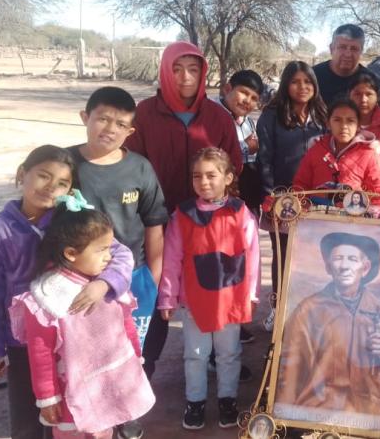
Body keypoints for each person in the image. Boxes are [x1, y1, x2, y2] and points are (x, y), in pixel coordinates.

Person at [0, 146, 133, 439]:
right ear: (23, 174)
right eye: (43, 176)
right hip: (24, 345)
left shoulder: (73, 222)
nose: (51, 187)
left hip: (77, 339)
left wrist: (104, 283)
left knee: (79, 413)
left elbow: (120, 256)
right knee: (28, 421)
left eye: (62, 183)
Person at [123, 41, 243, 378]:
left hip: (207, 223)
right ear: (165, 71)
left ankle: (219, 362)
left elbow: (233, 163)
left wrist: (216, 205)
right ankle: (142, 370)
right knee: (155, 292)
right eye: (176, 69)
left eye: (193, 69)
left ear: (203, 72)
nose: (185, 77)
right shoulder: (145, 113)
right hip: (155, 222)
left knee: (210, 289)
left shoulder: (218, 116)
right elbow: (131, 165)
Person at [8, 195, 154, 438]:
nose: (110, 256)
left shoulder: (106, 284)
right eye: (102, 250)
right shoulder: (47, 297)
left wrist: (135, 359)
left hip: (110, 384)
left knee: (105, 430)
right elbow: (40, 353)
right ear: (71, 253)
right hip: (70, 395)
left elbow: (126, 324)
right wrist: (47, 397)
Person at [67, 87, 167, 439]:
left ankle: (128, 409)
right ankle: (89, 408)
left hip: (133, 276)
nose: (110, 129)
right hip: (77, 280)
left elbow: (154, 225)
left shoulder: (139, 168)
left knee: (131, 350)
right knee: (84, 349)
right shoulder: (66, 165)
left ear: (130, 132)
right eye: (103, 119)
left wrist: (152, 279)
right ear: (85, 118)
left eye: (120, 124)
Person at [157, 148, 260, 430]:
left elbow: (252, 256)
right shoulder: (183, 215)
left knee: (229, 353)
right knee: (196, 354)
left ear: (228, 177)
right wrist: (167, 296)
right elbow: (172, 258)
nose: (204, 182)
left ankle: (228, 399)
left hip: (230, 298)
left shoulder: (241, 213)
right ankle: (196, 402)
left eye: (211, 175)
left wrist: (251, 294)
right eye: (197, 176)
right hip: (195, 300)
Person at [274, 232, 380, 424]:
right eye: (338, 259)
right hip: (319, 408)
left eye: (352, 259)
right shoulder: (308, 310)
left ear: (365, 268)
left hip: (369, 412)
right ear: (328, 267)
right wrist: (283, 416)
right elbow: (290, 367)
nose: (344, 266)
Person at [257, 61, 327, 330]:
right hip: (283, 201)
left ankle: (309, 310)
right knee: (283, 256)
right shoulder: (272, 115)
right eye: (296, 82)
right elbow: (264, 159)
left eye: (307, 82)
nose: (302, 87)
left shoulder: (322, 114)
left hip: (317, 202)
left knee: (312, 257)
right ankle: (278, 308)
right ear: (286, 84)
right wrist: (272, 197)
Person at [292, 98, 380, 213]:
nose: (344, 126)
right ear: (328, 123)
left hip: (354, 223)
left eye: (350, 121)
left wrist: (375, 214)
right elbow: (301, 185)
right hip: (317, 220)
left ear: (359, 125)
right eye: (337, 120)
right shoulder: (315, 151)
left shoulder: (368, 154)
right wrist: (301, 207)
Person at [313, 24, 380, 115]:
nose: (348, 54)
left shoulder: (374, 83)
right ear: (331, 48)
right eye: (342, 47)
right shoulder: (312, 78)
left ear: (361, 51)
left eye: (354, 49)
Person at [219, 69, 265, 217]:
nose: (247, 101)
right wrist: (245, 146)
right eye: (244, 93)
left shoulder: (249, 121)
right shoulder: (214, 115)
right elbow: (212, 153)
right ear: (227, 89)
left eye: (254, 98)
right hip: (224, 192)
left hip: (249, 195)